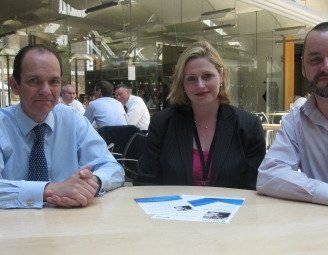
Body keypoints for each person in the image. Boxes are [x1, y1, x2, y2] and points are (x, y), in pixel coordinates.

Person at [257, 22, 328, 223]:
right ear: (303, 67)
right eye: (316, 59)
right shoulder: (296, 120)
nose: (326, 67)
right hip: (319, 240)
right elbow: (269, 175)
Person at [0, 44, 124, 209]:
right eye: (34, 81)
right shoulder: (2, 125)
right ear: (15, 85)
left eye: (53, 81)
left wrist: (92, 182)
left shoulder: (72, 120)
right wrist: (49, 190)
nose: (45, 91)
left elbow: (114, 169)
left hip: (68, 225)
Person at [135, 41, 266, 189]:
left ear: (221, 76)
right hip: (173, 211)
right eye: (191, 79)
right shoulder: (162, 123)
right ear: (182, 84)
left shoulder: (248, 126)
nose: (200, 85)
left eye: (207, 76)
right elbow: (146, 182)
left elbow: (255, 187)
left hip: (235, 211)